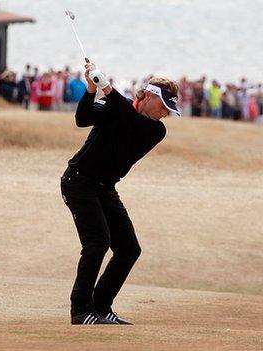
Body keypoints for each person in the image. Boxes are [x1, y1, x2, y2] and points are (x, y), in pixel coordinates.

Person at [61, 63, 179, 325]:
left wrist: (107, 88)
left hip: (105, 188)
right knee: (97, 242)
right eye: (164, 107)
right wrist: (92, 90)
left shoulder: (155, 130)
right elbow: (82, 119)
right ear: (148, 96)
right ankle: (81, 310)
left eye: (169, 111)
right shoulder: (119, 108)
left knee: (128, 249)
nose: (165, 115)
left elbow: (129, 121)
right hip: (79, 181)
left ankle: (101, 307)